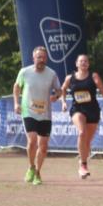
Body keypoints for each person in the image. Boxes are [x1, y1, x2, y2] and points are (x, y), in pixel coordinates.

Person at [14, 46, 61, 185]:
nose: (41, 60)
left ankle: (38, 172)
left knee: (44, 145)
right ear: (33, 58)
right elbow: (16, 87)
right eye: (39, 57)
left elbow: (59, 90)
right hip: (28, 111)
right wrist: (16, 103)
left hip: (45, 113)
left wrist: (56, 96)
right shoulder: (25, 72)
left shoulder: (51, 73)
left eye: (44, 57)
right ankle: (31, 167)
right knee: (32, 140)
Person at [60, 53, 103, 179]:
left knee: (87, 141)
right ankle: (83, 164)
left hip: (92, 110)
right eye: (81, 61)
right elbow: (63, 90)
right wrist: (64, 102)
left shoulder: (93, 76)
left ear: (88, 64)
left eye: (86, 61)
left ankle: (82, 160)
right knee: (82, 133)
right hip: (77, 109)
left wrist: (100, 85)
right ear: (76, 64)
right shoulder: (69, 78)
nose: (83, 63)